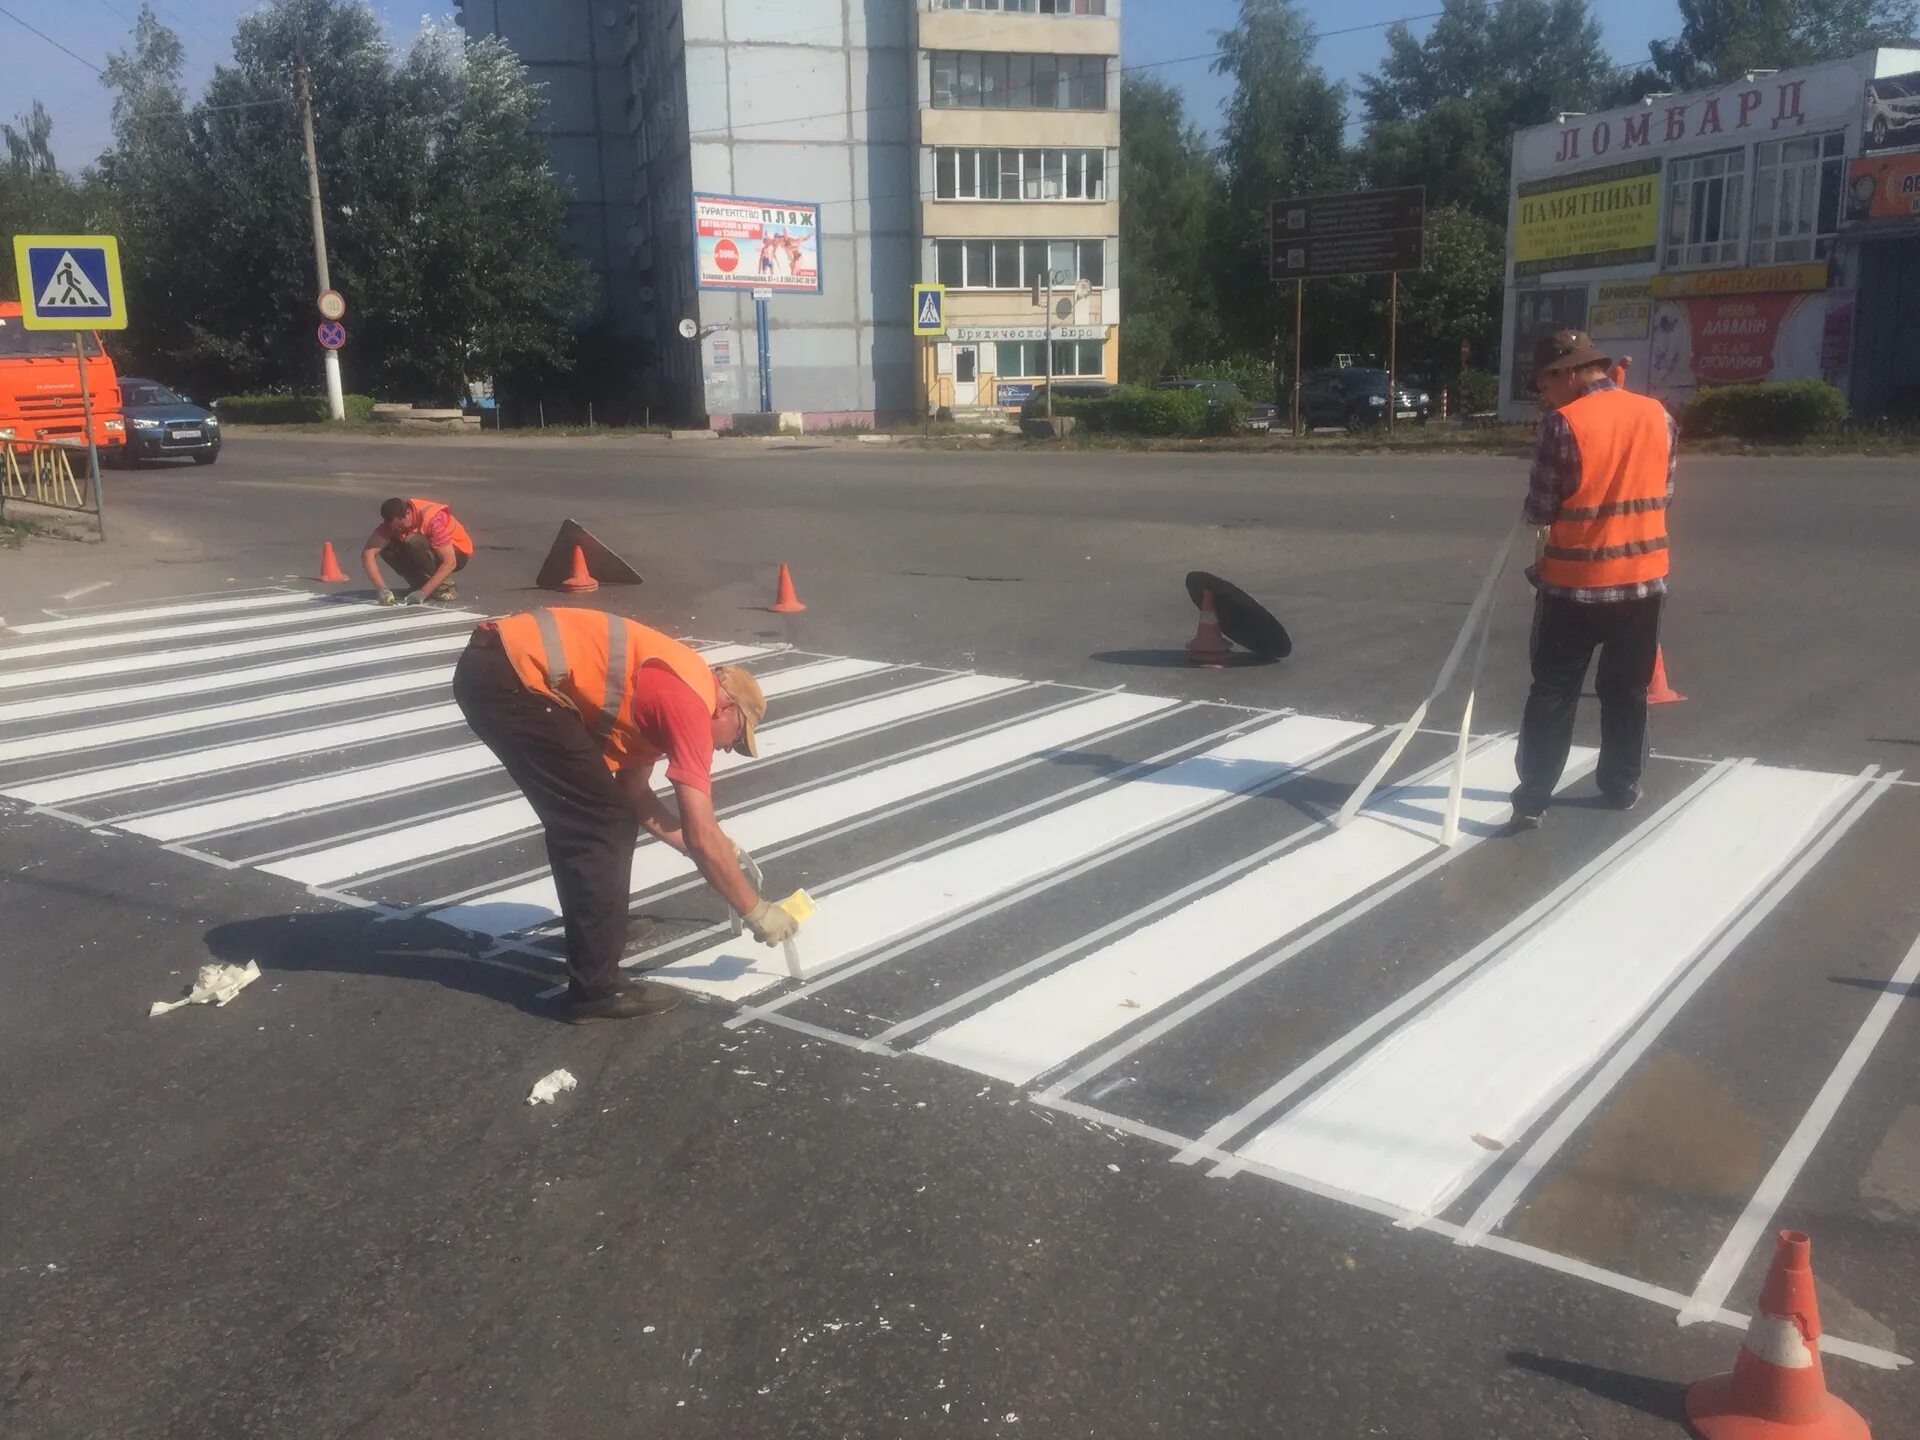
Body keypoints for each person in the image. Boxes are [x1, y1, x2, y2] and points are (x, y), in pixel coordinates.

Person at [452, 607, 798, 1022]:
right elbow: (700, 833)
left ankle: (601, 929)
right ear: (725, 708)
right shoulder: (689, 704)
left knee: (600, 816)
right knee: (598, 824)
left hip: (504, 669)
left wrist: (714, 848)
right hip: (510, 677)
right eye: (737, 737)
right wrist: (756, 910)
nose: (728, 749)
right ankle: (596, 989)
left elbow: (635, 795)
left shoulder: (672, 687)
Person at [1512, 329, 1677, 831]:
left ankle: (1533, 797)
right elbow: (1664, 492)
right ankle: (1621, 785)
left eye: (1544, 384)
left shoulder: (1562, 424)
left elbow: (1541, 508)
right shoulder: (1658, 415)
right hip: (1643, 583)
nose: (1545, 396)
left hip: (1573, 586)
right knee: (1627, 690)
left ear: (1566, 372)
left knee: (1553, 690)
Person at [362, 497, 472, 605]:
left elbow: (450, 562)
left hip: (457, 552)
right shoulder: (393, 523)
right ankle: (420, 585)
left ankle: (445, 588)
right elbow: (368, 552)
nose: (398, 529)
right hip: (434, 551)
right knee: (387, 547)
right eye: (394, 527)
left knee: (413, 541)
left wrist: (423, 593)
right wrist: (382, 589)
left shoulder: (432, 520)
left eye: (400, 525)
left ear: (407, 513)